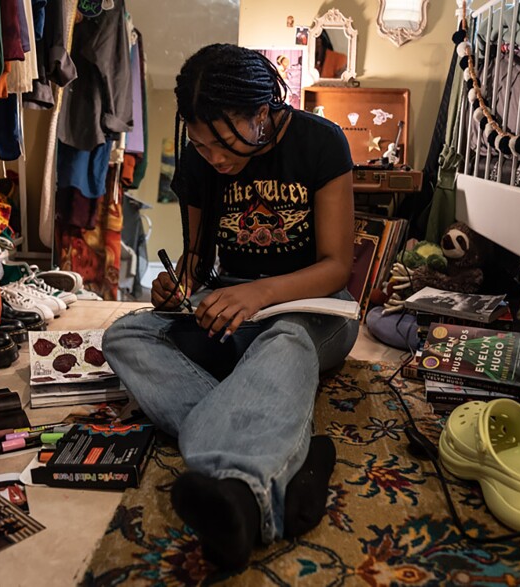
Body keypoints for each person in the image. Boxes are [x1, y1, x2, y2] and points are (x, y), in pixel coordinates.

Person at [102, 43, 358, 570]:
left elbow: (337, 265)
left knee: (284, 338)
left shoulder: (320, 142)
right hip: (230, 305)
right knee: (126, 336)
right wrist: (176, 287)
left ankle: (242, 490)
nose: (214, 158)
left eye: (223, 142)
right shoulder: (202, 162)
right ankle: (291, 447)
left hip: (315, 306)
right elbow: (195, 260)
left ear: (261, 115)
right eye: (200, 144)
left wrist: (259, 293)